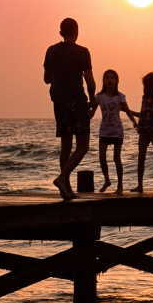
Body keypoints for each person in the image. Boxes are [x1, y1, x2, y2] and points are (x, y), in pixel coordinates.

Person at [43, 17, 94, 200]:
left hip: (59, 101)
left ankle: (66, 188)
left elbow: (46, 79)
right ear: (77, 32)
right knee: (83, 145)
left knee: (66, 144)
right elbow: (89, 80)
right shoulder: (82, 52)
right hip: (77, 100)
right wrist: (93, 101)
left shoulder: (51, 51)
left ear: (60, 33)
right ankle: (63, 178)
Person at [89, 69, 138, 194]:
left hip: (117, 130)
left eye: (112, 78)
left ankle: (120, 185)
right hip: (104, 130)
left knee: (117, 158)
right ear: (103, 81)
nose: (110, 80)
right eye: (107, 78)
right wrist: (83, 119)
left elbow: (127, 111)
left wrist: (134, 122)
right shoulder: (99, 97)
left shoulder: (120, 96)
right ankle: (107, 180)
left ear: (117, 81)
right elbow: (91, 113)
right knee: (102, 157)